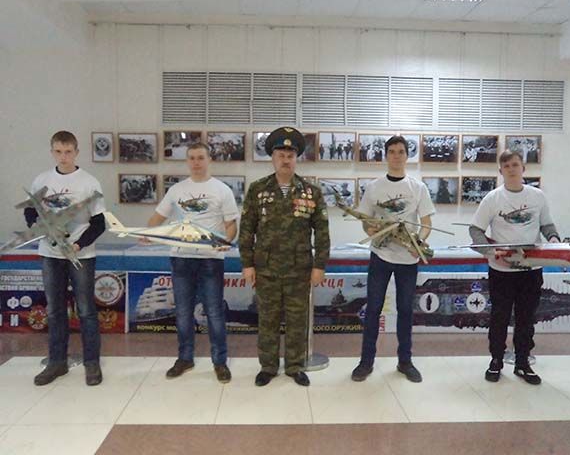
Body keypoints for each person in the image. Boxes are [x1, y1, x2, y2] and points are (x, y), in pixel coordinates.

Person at [239, 127, 330, 387]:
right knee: (267, 319)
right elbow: (247, 230)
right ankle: (268, 366)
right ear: (273, 157)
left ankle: (294, 366)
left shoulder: (311, 192)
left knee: (297, 320)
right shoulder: (258, 190)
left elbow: (322, 232)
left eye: (290, 155)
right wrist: (247, 264)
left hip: (299, 269)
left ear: (296, 158)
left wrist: (319, 266)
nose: (286, 159)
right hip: (266, 268)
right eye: (281, 154)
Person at [146, 142, 238, 383]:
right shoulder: (176, 190)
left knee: (214, 313)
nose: (196, 162)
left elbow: (231, 225)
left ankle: (220, 362)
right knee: (183, 312)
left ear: (209, 160)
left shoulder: (222, 190)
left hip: (211, 260)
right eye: (192, 158)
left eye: (200, 157)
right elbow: (156, 218)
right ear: (187, 161)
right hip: (181, 259)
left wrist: (226, 242)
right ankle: (185, 358)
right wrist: (148, 233)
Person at [470, 149, 560, 385]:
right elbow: (475, 230)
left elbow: (547, 225)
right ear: (501, 171)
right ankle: (496, 361)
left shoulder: (537, 197)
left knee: (526, 318)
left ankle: (522, 363)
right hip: (502, 271)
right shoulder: (492, 199)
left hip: (531, 270)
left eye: (515, 165)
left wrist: (553, 239)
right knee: (499, 317)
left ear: (523, 168)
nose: (511, 169)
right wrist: (491, 252)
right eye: (506, 166)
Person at [351, 135, 435, 383]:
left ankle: (405, 361)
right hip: (380, 256)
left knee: (405, 310)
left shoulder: (418, 188)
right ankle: (366, 362)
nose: (396, 156)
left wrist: (418, 243)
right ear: (386, 155)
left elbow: (426, 223)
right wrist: (370, 230)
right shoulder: (374, 187)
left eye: (401, 151)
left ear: (407, 156)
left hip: (408, 260)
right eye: (392, 151)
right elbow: (366, 220)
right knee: (373, 308)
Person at [26, 131, 106, 386]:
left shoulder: (89, 182)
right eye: (58, 151)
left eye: (68, 151)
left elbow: (100, 223)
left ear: (76, 152)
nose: (63, 156)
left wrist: (79, 244)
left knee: (86, 310)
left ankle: (92, 363)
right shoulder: (42, 180)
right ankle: (57, 362)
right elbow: (30, 211)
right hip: (50, 254)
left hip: (81, 255)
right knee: (54, 310)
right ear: (52, 152)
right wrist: (41, 228)